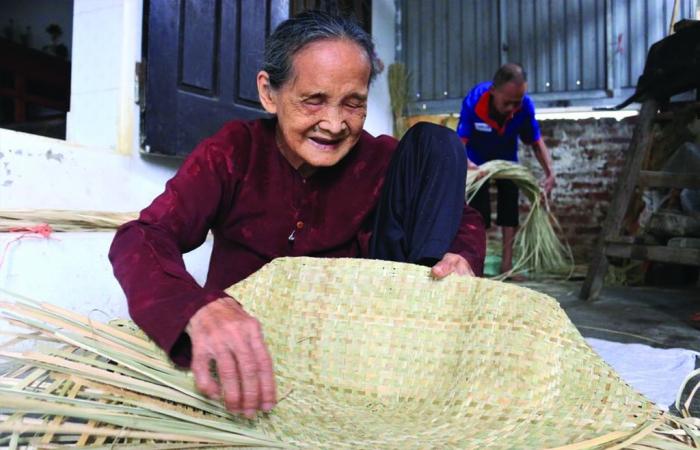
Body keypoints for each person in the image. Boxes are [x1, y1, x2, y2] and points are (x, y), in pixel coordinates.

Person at [109, 11, 485, 420]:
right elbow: (142, 236)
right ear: (269, 93)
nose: (334, 124)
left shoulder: (381, 161)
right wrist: (196, 307)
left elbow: (465, 220)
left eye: (353, 104)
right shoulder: (235, 152)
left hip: (355, 353)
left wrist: (459, 256)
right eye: (314, 100)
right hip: (257, 353)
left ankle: (416, 357)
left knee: (436, 144)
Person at [456, 63, 555, 278]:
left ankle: (507, 265)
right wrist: (468, 165)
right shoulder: (474, 102)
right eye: (507, 102)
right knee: (478, 214)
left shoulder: (525, 106)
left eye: (516, 103)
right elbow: (460, 142)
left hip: (507, 161)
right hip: (477, 164)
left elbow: (536, 142)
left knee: (509, 211)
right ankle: (477, 265)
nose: (512, 108)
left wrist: (550, 173)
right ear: (493, 92)